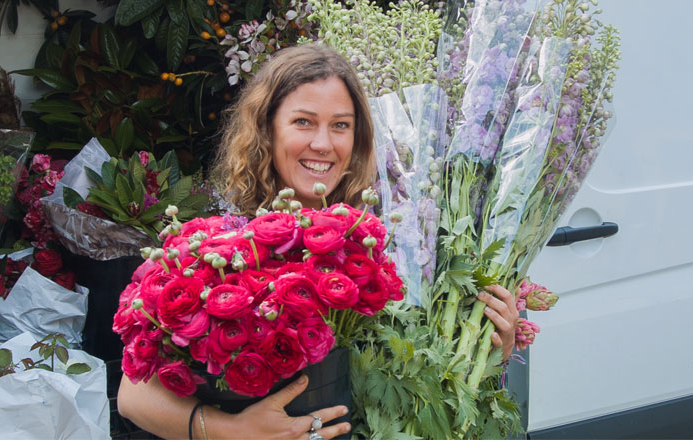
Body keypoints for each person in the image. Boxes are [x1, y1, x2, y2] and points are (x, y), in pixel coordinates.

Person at [117, 43, 520, 440]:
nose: (323, 144)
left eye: (340, 125)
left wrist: (487, 349)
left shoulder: (398, 242)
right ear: (266, 129)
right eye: (304, 122)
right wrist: (231, 430)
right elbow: (133, 396)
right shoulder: (221, 247)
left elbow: (433, 383)